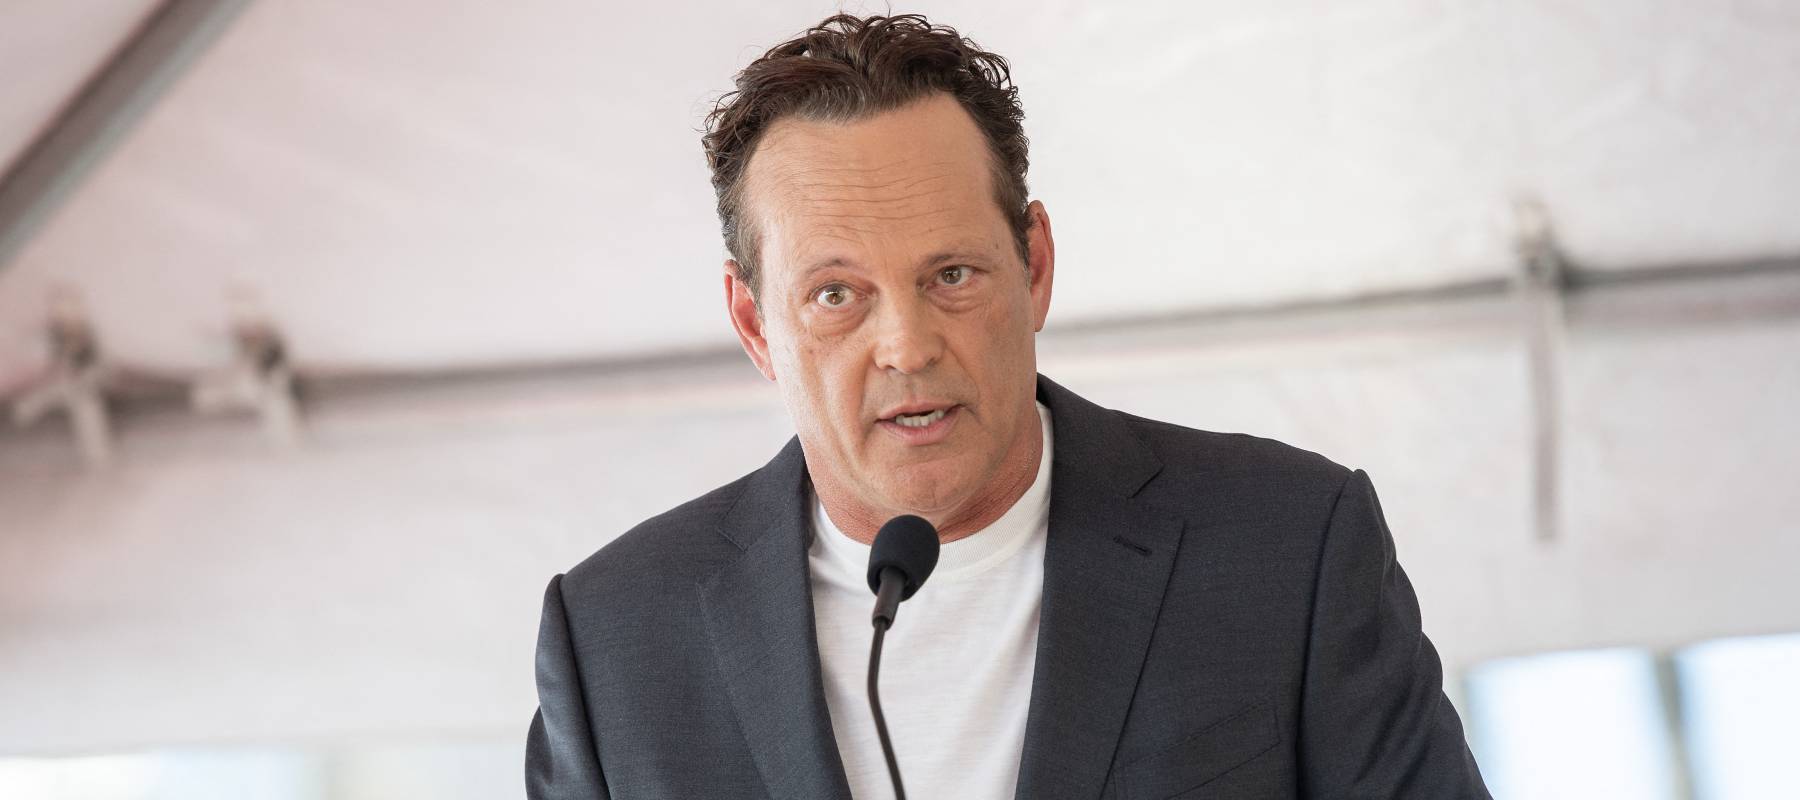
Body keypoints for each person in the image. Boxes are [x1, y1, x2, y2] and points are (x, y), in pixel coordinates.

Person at [526, 12, 1490, 799]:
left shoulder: (1287, 543)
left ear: (1033, 267)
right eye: (835, 295)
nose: (905, 344)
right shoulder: (616, 639)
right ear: (754, 323)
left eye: (951, 274)